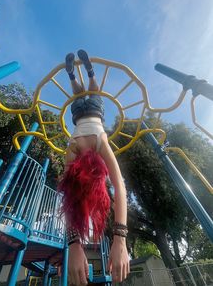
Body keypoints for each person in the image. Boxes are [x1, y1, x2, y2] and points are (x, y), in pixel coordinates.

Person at [57, 50, 130, 286]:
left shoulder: (94, 145)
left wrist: (119, 238)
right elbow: (71, 194)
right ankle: (80, 73)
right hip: (82, 118)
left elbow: (119, 187)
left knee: (88, 94)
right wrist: (75, 243)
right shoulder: (77, 146)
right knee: (84, 95)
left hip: (91, 118)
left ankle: (80, 74)